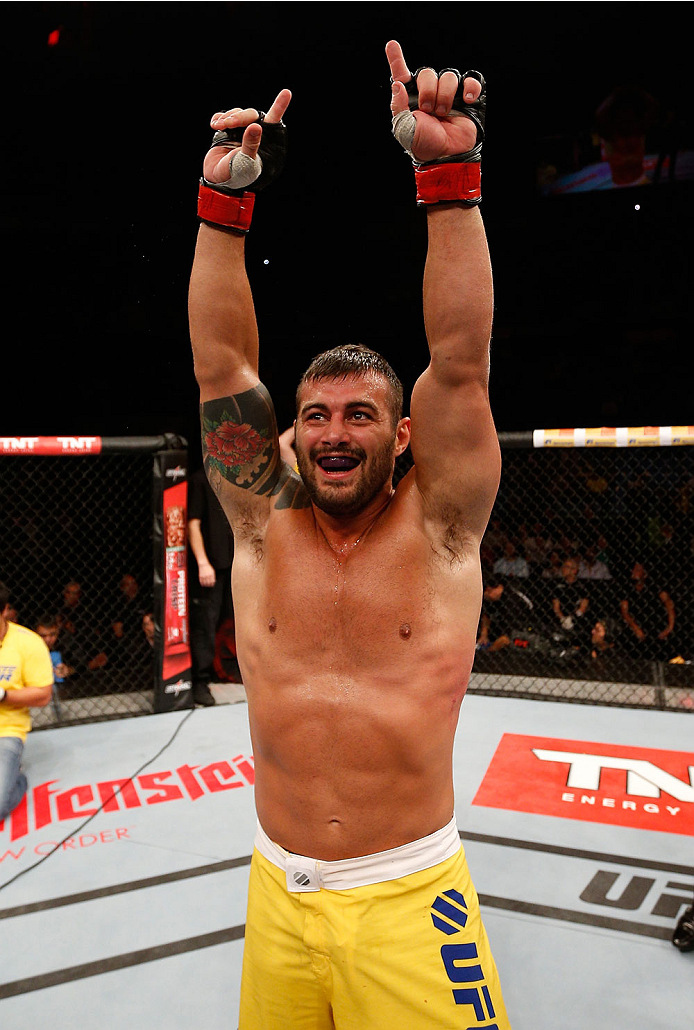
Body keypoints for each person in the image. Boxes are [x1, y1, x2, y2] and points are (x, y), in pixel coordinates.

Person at [189, 39, 510, 1030]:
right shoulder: (259, 518)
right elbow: (220, 365)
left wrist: (448, 178)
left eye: (359, 415)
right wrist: (222, 206)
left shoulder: (440, 529)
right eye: (315, 414)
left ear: (401, 433)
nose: (333, 434)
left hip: (411, 895)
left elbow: (458, 360)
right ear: (290, 428)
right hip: (276, 894)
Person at [0, 582, 54, 823]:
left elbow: (43, 695)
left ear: (5, 611)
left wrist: (4, 695)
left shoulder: (28, 643)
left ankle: (16, 778)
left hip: (6, 730)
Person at [187, 467, 236, 705]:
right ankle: (199, 681)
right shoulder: (201, 478)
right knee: (204, 625)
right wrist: (202, 562)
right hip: (212, 564)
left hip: (235, 561)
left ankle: (231, 671)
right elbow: (192, 523)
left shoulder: (235, 479)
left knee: (236, 621)